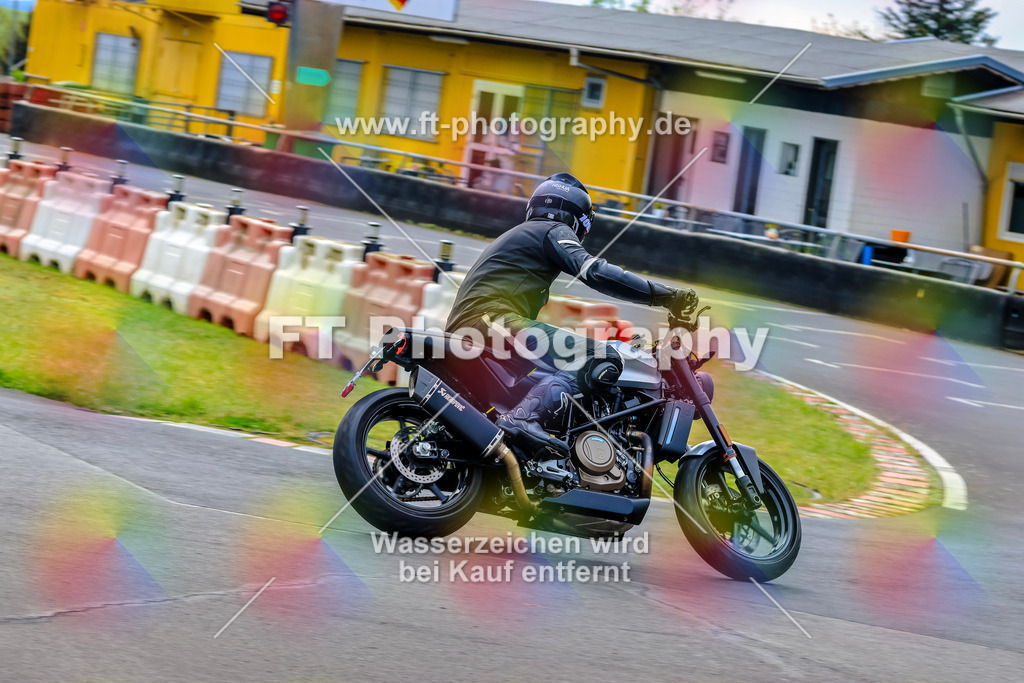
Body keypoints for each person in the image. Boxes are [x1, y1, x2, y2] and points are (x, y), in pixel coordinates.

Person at [445, 173, 698, 453]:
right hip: (490, 321)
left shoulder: (525, 234)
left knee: (557, 369)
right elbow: (596, 273)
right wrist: (666, 296)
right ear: (576, 216)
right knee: (600, 355)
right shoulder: (552, 230)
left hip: (481, 324)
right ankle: (522, 419)